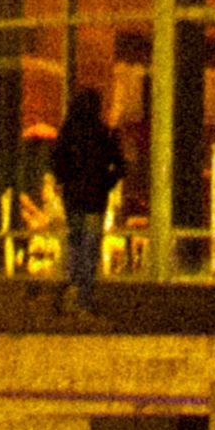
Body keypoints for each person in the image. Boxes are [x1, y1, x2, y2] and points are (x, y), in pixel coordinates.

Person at [45, 86, 128, 314]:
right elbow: (120, 166)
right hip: (95, 198)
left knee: (77, 241)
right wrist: (105, 183)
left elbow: (56, 162)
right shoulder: (104, 134)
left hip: (75, 199)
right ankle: (84, 295)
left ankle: (73, 285)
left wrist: (65, 182)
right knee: (90, 246)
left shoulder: (69, 132)